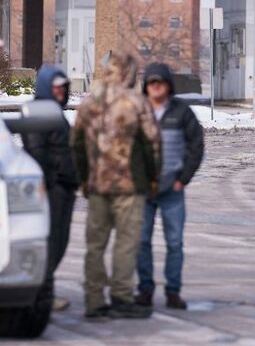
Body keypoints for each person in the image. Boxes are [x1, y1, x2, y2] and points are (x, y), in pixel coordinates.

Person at [72, 51, 161, 320]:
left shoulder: (89, 103)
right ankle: (122, 297)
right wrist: (153, 177)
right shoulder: (136, 102)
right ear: (130, 73)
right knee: (126, 243)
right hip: (129, 185)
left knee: (95, 244)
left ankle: (95, 300)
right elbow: (151, 144)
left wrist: (83, 178)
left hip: (97, 184)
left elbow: (76, 143)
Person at [135, 63, 204, 310]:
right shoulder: (136, 112)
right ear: (146, 86)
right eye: (151, 83)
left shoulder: (181, 112)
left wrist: (182, 179)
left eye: (160, 82)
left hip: (172, 189)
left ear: (168, 85)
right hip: (142, 190)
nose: (156, 87)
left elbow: (196, 146)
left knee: (174, 243)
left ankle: (173, 292)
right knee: (141, 242)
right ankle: (144, 289)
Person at [21, 66, 79, 312]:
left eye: (63, 87)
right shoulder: (38, 112)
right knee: (50, 242)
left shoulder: (54, 113)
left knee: (60, 241)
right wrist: (53, 178)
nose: (60, 92)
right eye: (56, 87)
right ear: (45, 87)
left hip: (64, 187)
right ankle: (42, 294)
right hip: (52, 189)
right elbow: (37, 151)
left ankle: (45, 290)